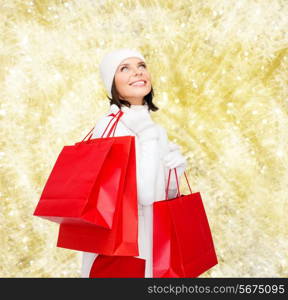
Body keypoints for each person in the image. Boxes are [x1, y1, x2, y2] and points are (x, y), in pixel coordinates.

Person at [81, 48, 187, 278]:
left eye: (141, 66)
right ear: (112, 83)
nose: (137, 73)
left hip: (152, 238)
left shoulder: (151, 126)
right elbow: (144, 195)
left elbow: (163, 196)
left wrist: (174, 170)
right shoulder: (112, 125)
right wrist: (149, 137)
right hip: (126, 244)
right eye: (124, 68)